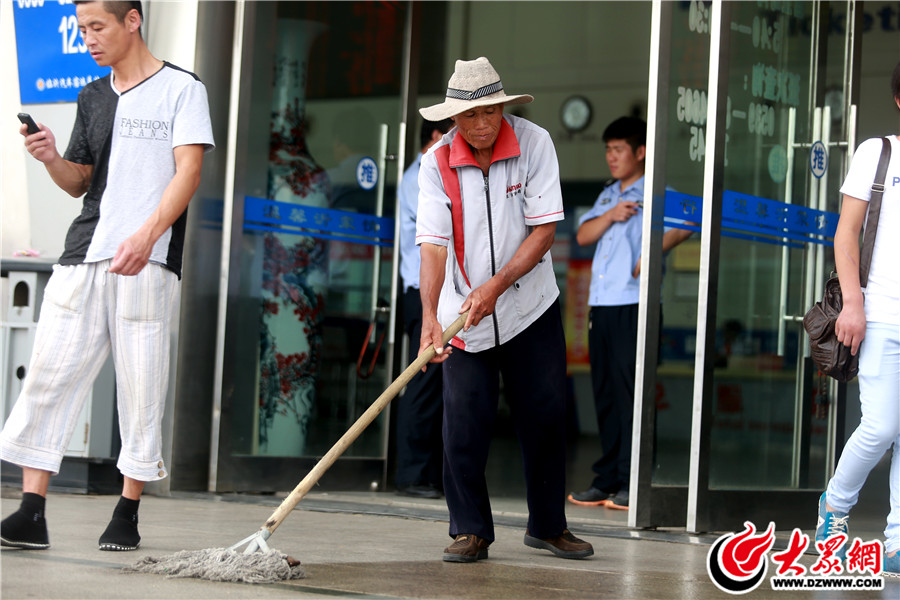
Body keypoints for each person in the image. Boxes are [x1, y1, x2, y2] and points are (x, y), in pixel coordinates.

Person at [0, 0, 213, 552]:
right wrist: (49, 158)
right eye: (82, 30)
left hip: (147, 260)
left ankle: (128, 510)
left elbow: (188, 172)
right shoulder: (92, 95)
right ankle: (30, 511)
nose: (88, 39)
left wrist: (147, 235)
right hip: (82, 255)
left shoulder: (183, 90)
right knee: (47, 375)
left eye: (97, 27)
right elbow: (80, 182)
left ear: (132, 21)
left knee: (141, 386)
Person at [416, 56, 593, 563]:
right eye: (470, 116)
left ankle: (548, 526)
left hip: (529, 305)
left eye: (490, 112)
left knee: (544, 414)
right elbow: (431, 243)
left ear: (502, 107)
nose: (481, 124)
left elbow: (543, 232)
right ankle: (469, 529)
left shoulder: (534, 143)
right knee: (464, 422)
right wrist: (431, 316)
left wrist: (496, 286)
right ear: (453, 118)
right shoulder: (436, 164)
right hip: (462, 314)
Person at [567, 117, 691, 511]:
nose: (611, 157)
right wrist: (612, 214)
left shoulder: (656, 191)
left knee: (630, 393)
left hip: (634, 303)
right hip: (602, 306)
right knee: (604, 391)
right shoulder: (609, 196)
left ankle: (632, 479)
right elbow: (583, 235)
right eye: (608, 150)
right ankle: (607, 478)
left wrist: (653, 250)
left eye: (618, 150)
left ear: (640, 152)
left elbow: (691, 219)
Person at [816, 61, 900, 577]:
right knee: (882, 424)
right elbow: (846, 232)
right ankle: (834, 507)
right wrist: (853, 302)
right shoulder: (878, 153)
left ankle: (897, 540)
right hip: (881, 314)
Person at [395, 117, 453, 499]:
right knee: (424, 383)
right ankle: (414, 474)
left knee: (436, 385)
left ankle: (428, 472)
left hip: (435, 294)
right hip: (424, 294)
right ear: (435, 137)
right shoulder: (423, 175)